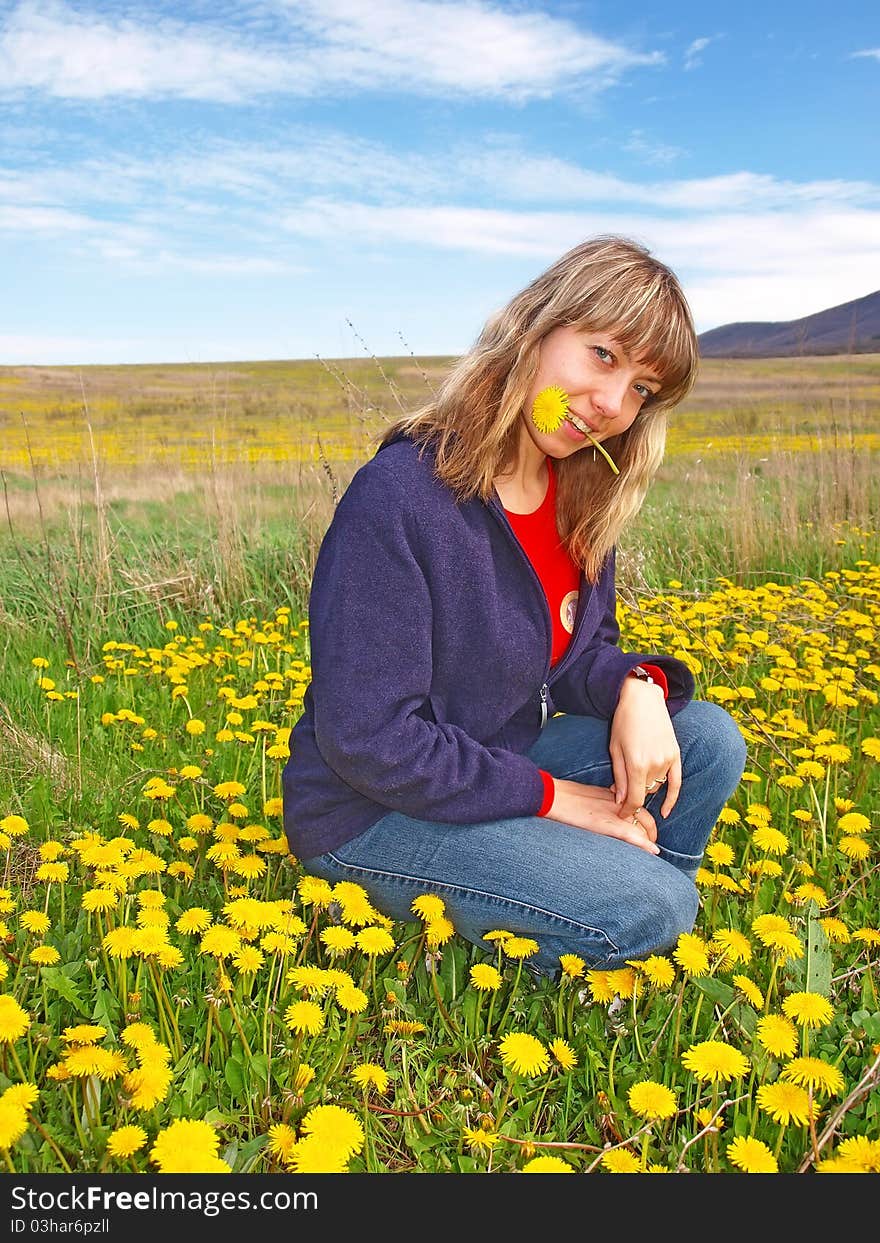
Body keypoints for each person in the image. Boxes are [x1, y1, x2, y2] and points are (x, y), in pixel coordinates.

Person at [282, 235, 746, 977]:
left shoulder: (577, 498)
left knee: (708, 739)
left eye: (642, 390)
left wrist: (638, 685)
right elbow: (369, 739)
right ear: (536, 325)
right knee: (653, 906)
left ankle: (620, 903)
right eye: (602, 354)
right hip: (372, 811)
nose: (611, 404)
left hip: (490, 762)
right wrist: (556, 798)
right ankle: (624, 916)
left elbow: (578, 656)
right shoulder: (402, 496)